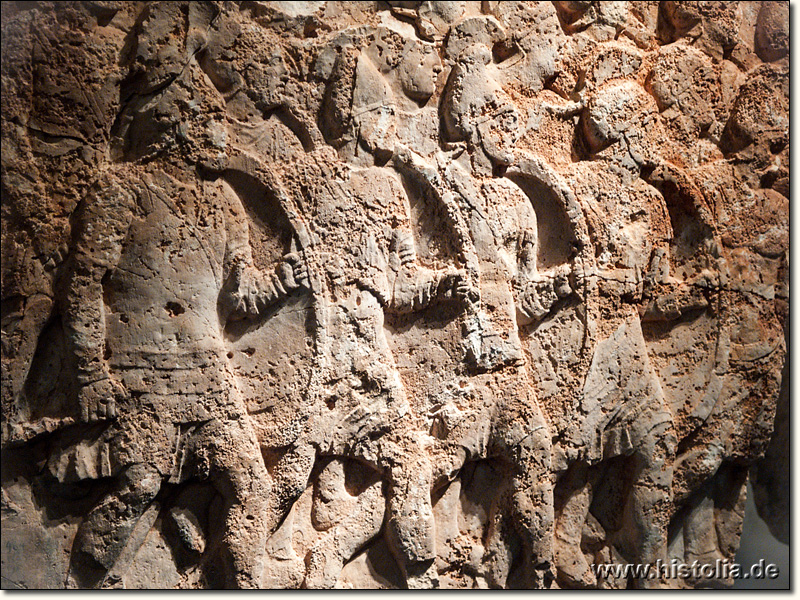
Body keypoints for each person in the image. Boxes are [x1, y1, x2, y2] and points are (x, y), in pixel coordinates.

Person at [56, 59, 308, 588]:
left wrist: (284, 278)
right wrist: (89, 372)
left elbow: (239, 298)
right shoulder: (121, 192)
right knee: (140, 485)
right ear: (179, 125)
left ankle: (237, 582)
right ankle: (80, 581)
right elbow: (82, 282)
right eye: (213, 120)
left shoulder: (224, 203)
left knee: (252, 487)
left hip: (209, 375)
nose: (223, 133)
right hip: (139, 371)